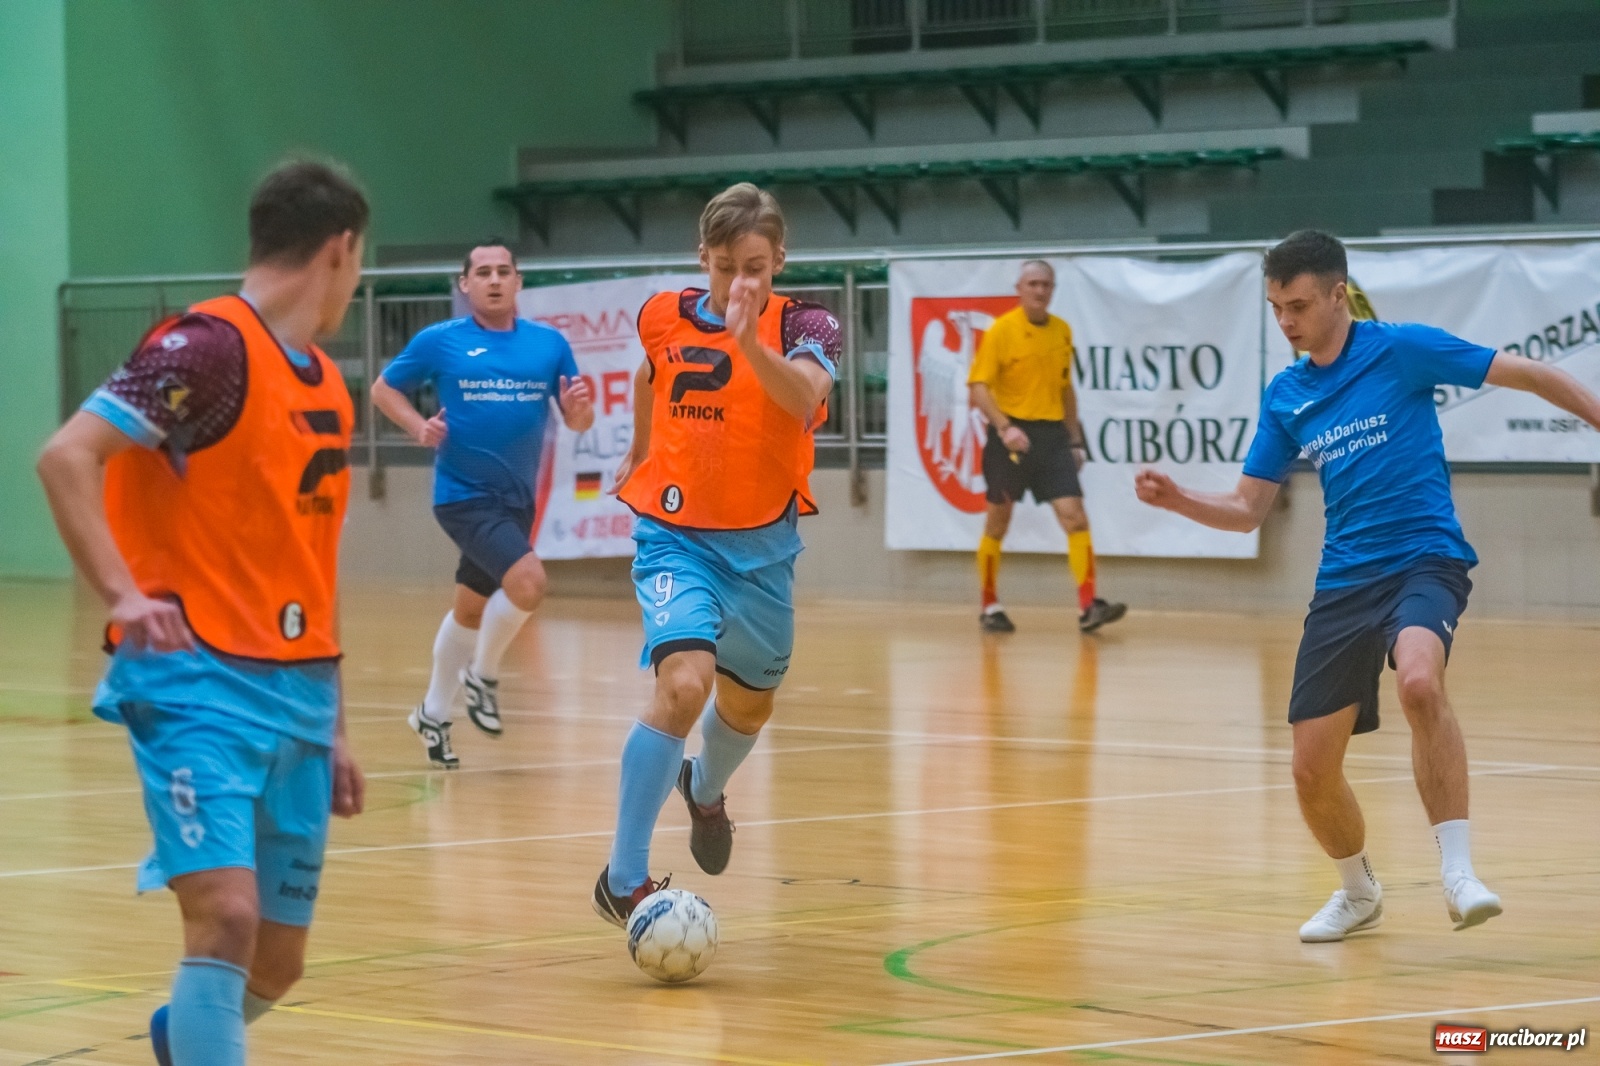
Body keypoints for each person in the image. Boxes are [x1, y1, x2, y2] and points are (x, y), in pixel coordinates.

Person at [1136, 229, 1600, 942]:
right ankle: (1358, 892)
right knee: (1309, 769)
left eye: (1296, 305)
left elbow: (1531, 375)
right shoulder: (1287, 395)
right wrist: (1179, 500)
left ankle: (1458, 872)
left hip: (1425, 560)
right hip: (1344, 584)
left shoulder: (1401, 348)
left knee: (1420, 681)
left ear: (1335, 294)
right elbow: (1246, 510)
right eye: (1275, 308)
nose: (1286, 321)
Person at [36, 160, 370, 1066]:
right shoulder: (206, 349)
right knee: (224, 918)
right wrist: (122, 593)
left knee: (277, 959)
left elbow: (315, 566)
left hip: (299, 694)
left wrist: (337, 726)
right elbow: (67, 456)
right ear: (340, 249)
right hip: (196, 680)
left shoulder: (326, 387)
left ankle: (184, 1041)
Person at [591, 183, 840, 925]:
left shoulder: (811, 325)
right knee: (683, 687)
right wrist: (638, 452)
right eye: (727, 265)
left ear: (780, 261)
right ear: (703, 257)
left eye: (756, 266)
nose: (741, 282)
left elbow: (803, 399)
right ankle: (624, 878)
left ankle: (703, 789)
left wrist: (749, 342)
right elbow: (648, 373)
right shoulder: (662, 315)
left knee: (749, 703)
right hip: (676, 536)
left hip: (763, 551)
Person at [371, 241, 593, 768]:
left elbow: (577, 420)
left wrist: (580, 412)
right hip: (463, 497)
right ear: (465, 285)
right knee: (529, 583)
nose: (494, 280)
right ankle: (484, 674)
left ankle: (431, 713)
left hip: (517, 500)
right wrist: (418, 427)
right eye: (482, 272)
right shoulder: (439, 342)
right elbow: (384, 390)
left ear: (518, 282)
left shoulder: (548, 345)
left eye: (503, 271)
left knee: (470, 609)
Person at [967, 260, 1125, 634]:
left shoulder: (1062, 332)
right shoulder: (1002, 331)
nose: (1040, 290)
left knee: (1075, 517)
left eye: (1046, 285)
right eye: (1033, 284)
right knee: (997, 522)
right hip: (1010, 439)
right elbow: (978, 388)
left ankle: (1089, 606)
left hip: (1052, 436)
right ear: (1020, 288)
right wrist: (1005, 428)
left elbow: (1065, 389)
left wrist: (1074, 440)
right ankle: (990, 605)